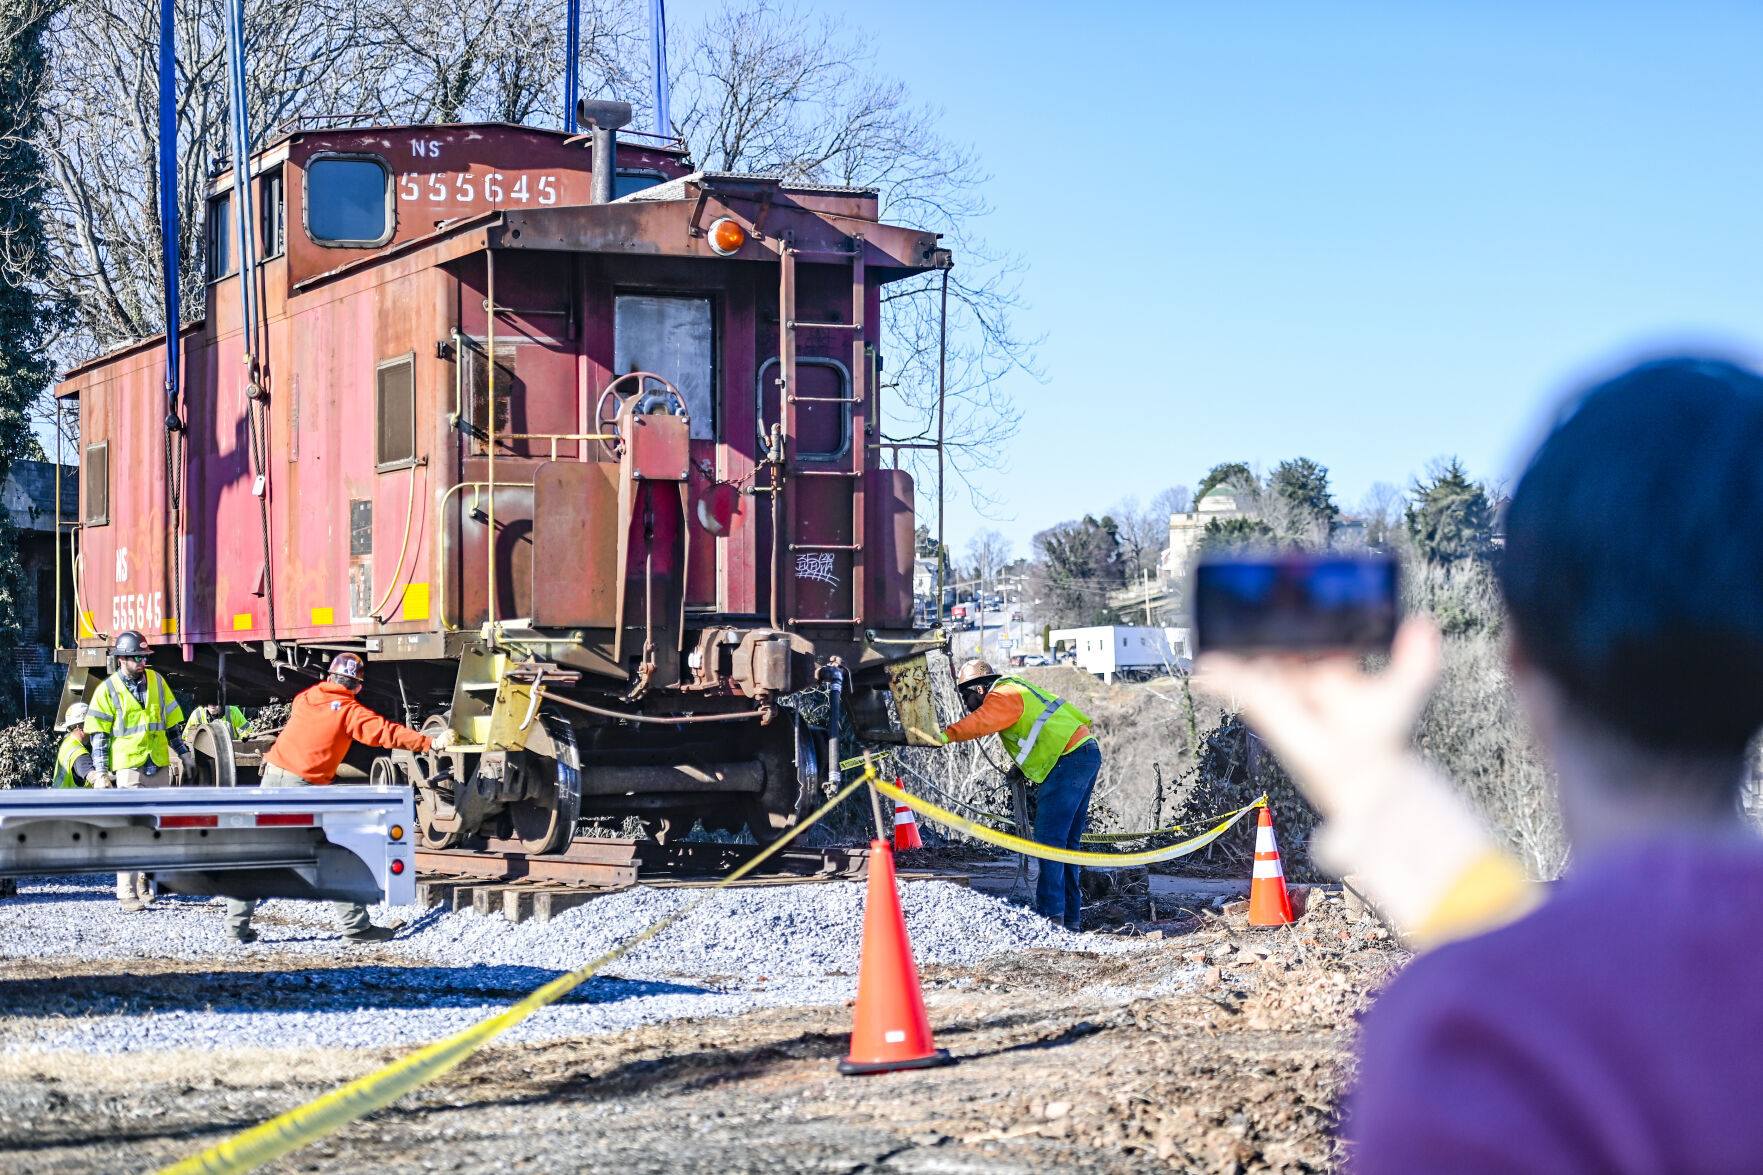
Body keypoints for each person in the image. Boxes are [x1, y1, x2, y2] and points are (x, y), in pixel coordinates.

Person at [1200, 357, 1763, 1172]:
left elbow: (1586, 995)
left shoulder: (1475, 1040)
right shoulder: (1505, 1014)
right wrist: (1376, 793)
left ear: (1520, 654)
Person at [223, 652, 454, 944]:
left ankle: (235, 930)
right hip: (301, 786)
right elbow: (384, 733)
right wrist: (430, 741)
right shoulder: (348, 710)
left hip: (271, 776)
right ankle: (356, 928)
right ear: (357, 686)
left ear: (329, 678)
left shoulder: (307, 697)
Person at [940, 658, 1101, 930]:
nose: (966, 704)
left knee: (1049, 842)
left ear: (979, 690)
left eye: (966, 696)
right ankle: (1070, 919)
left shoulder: (1002, 695)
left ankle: (1052, 920)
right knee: (1067, 845)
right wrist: (1020, 768)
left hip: (1068, 760)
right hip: (1082, 754)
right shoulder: (1015, 689)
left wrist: (943, 736)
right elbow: (1037, 731)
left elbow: (980, 722)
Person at [85, 629, 194, 911]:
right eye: (136, 657)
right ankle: (126, 894)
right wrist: (101, 774)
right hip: (129, 768)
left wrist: (184, 753)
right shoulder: (107, 690)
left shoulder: (157, 682)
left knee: (156, 829)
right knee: (130, 831)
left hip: (157, 766)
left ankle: (144, 881)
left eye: (144, 657)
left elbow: (171, 725)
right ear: (121, 659)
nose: (141, 662)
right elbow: (99, 737)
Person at [51, 702, 96, 788]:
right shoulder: (79, 754)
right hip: (76, 800)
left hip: (60, 798)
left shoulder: (67, 742)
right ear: (80, 727)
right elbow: (94, 778)